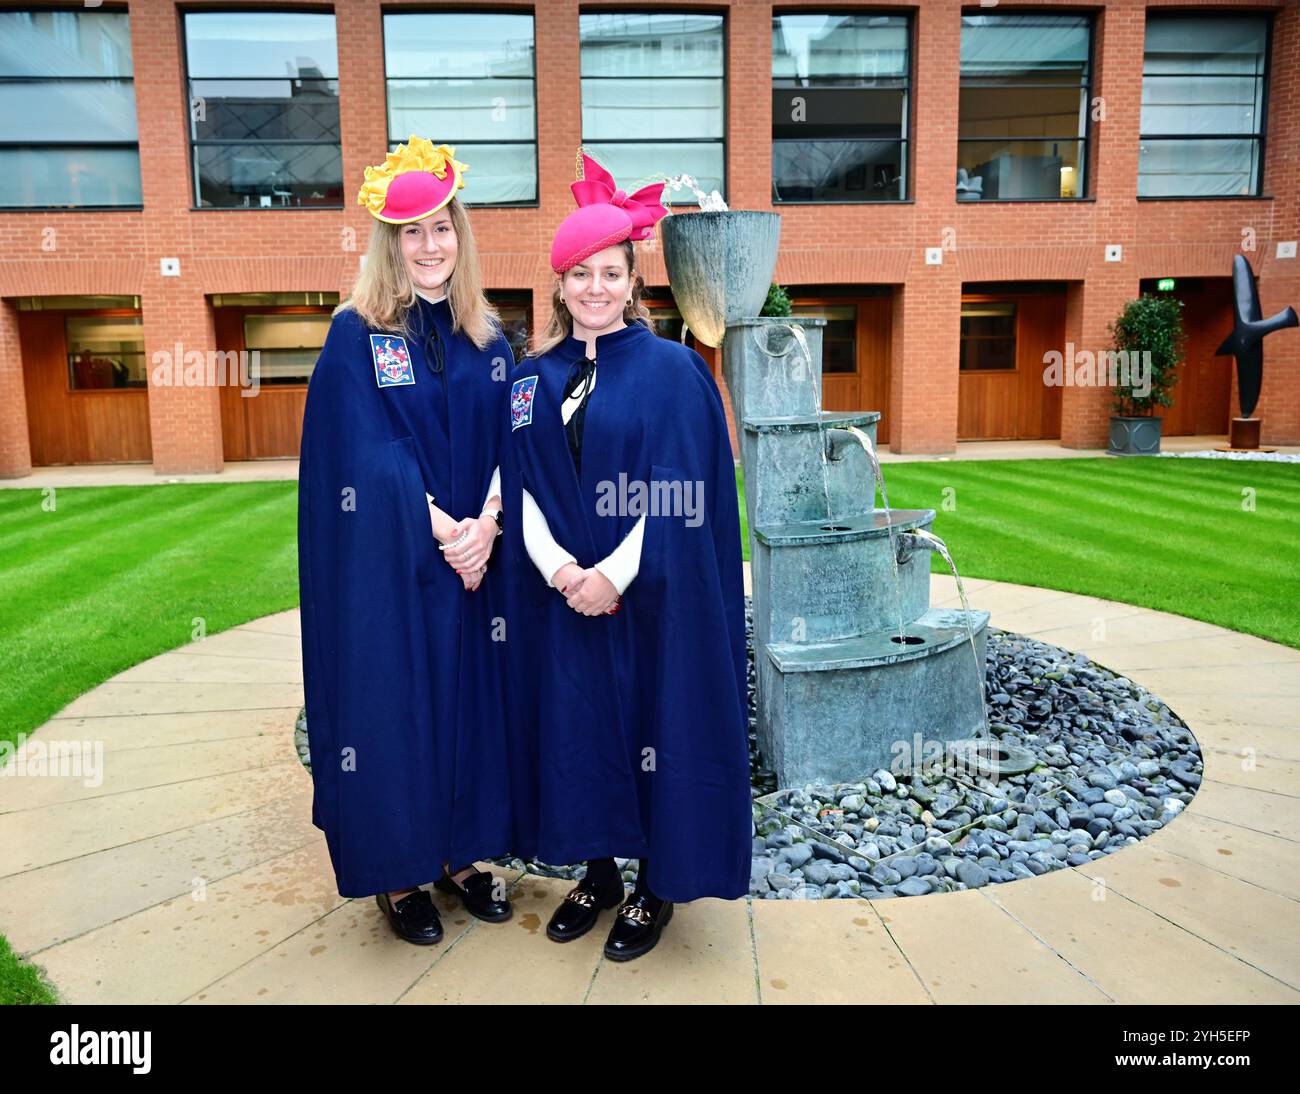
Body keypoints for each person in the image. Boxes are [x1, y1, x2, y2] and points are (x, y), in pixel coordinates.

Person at [501, 153, 753, 962]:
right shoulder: (529, 381)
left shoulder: (675, 372)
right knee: (577, 733)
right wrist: (560, 572)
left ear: (632, 281)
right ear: (560, 286)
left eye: (610, 273)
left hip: (650, 599)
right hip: (561, 596)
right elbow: (521, 487)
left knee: (655, 722)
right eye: (580, 275)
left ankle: (655, 886)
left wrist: (612, 573)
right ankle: (598, 872)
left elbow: (683, 492)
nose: (595, 289)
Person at [298, 137, 516, 945]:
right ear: (390, 244)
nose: (430, 245)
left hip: (474, 571)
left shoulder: (487, 337)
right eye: (413, 232)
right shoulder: (357, 334)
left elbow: (513, 446)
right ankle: (399, 872)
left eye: (442, 228)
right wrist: (439, 527)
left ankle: (461, 857)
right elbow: (355, 451)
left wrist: (488, 526)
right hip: (392, 569)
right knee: (397, 710)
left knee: (469, 708)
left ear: (461, 236)